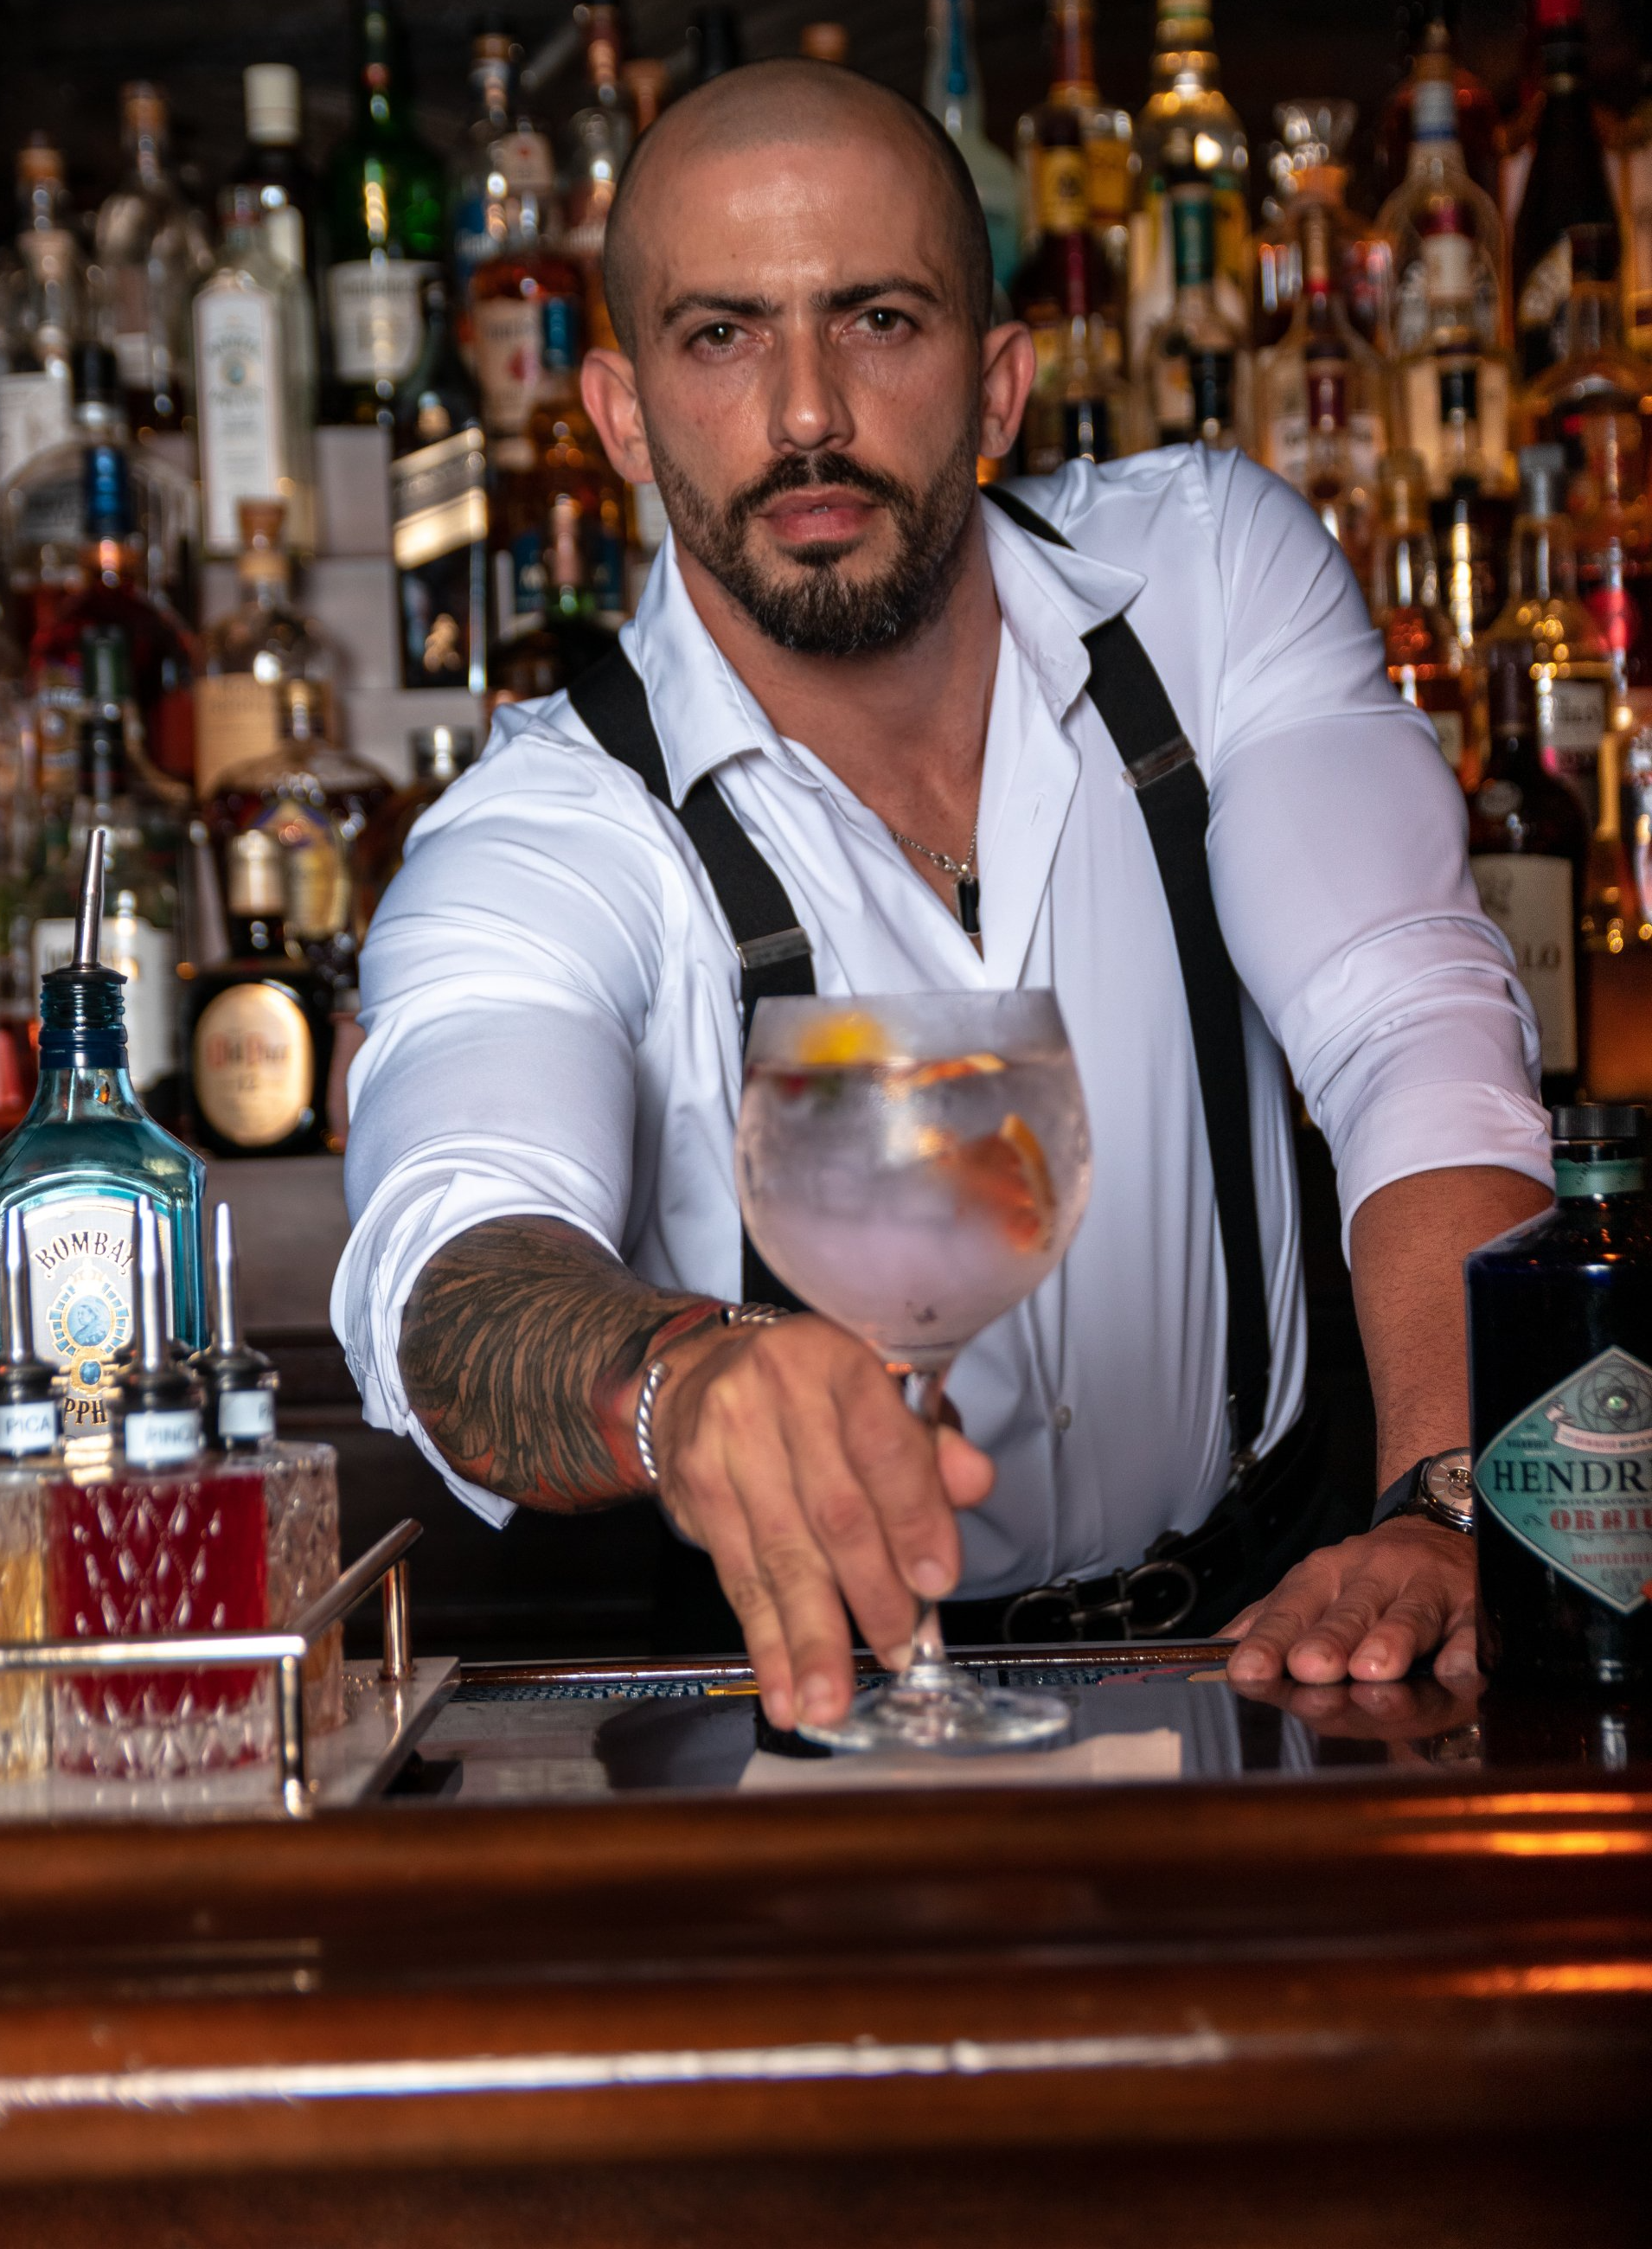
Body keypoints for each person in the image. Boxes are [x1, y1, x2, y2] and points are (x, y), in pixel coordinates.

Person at [333, 61, 1552, 1735]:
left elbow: (1409, 1021)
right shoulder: (547, 828)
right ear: (619, 415)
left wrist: (1446, 1498)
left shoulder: (1205, 585)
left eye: (878, 319)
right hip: (804, 1716)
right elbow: (453, 1264)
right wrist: (677, 1381)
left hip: (1271, 1654)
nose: (806, 412)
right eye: (722, 334)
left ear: (995, 385)